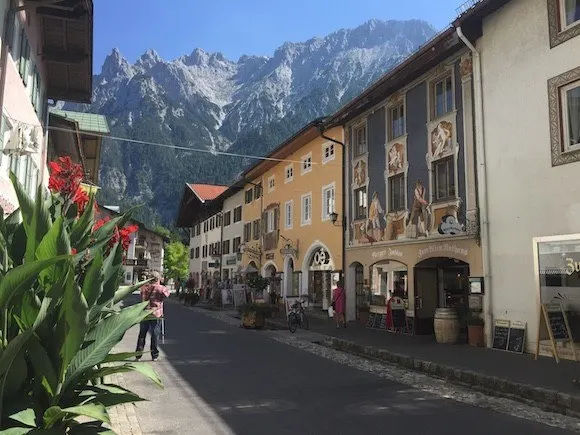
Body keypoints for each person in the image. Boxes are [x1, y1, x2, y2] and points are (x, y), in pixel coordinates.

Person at [136, 271, 170, 361]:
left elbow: (141, 295)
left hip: (144, 313)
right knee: (154, 334)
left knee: (142, 334)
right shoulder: (161, 288)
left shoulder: (144, 288)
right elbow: (167, 294)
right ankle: (154, 355)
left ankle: (138, 355)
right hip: (156, 314)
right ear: (158, 279)